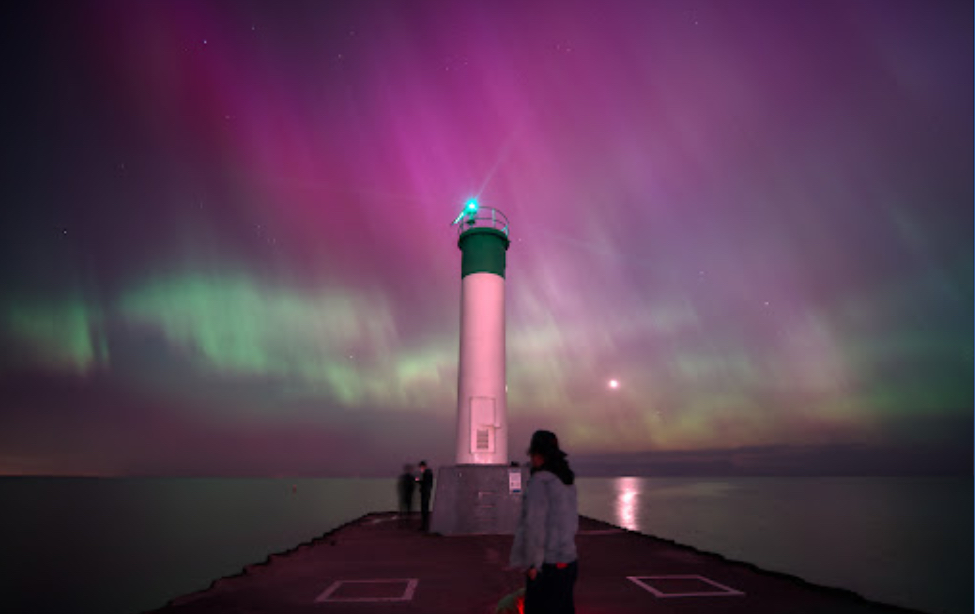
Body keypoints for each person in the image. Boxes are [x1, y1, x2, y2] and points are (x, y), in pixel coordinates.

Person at [509, 430, 578, 613]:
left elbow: (535, 526)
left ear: (537, 454)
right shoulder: (567, 479)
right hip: (568, 561)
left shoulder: (540, 481)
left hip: (547, 565)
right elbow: (571, 522)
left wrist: (533, 564)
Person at [417, 460, 434, 532]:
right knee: (425, 510)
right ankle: (425, 526)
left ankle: (424, 526)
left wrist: (418, 481)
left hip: (425, 493)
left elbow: (424, 483)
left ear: (423, 467)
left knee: (424, 510)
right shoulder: (429, 473)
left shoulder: (426, 473)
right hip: (427, 493)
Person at [397, 464, 415, 528]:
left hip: (406, 494)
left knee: (405, 507)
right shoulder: (410, 477)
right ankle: (405, 520)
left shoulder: (405, 477)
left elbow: (401, 486)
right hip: (407, 494)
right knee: (407, 507)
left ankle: (405, 520)